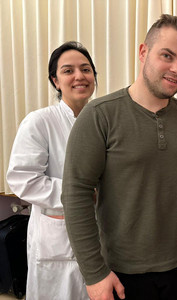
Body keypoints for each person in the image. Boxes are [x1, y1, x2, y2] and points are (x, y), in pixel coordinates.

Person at [61, 14, 177, 300]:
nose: (176, 69)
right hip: (122, 271)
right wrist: (94, 273)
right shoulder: (100, 116)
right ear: (143, 52)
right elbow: (75, 193)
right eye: (166, 56)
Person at [7, 41, 97, 300]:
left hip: (99, 237)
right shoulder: (40, 122)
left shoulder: (102, 119)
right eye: (68, 71)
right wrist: (81, 194)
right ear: (55, 80)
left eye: (86, 69)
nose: (79, 76)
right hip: (57, 238)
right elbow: (23, 179)